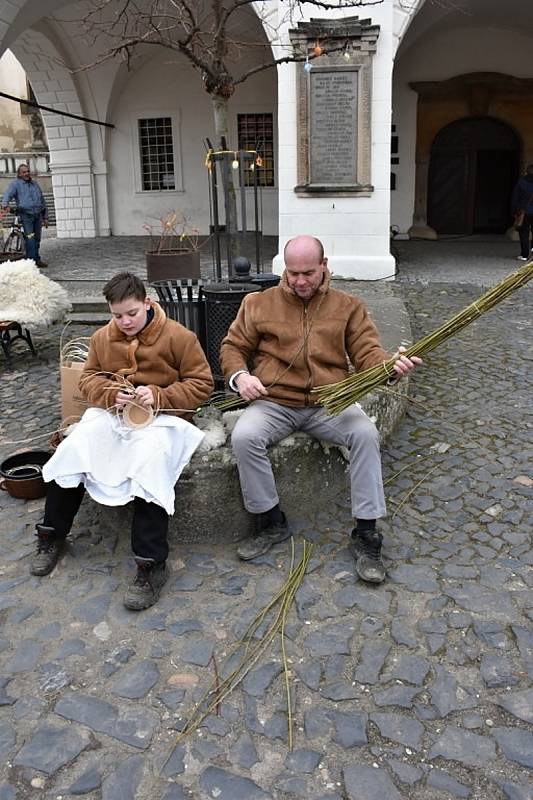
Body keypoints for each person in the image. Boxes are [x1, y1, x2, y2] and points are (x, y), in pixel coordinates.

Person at [220, 235, 421, 584]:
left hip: (330, 403)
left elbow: (367, 353)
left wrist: (388, 368)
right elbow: (232, 347)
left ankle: (366, 533)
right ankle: (271, 521)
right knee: (245, 435)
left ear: (324, 266)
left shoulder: (348, 306)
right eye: (293, 273)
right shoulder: (258, 303)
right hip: (274, 401)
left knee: (364, 433)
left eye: (308, 273)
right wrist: (241, 377)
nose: (300, 281)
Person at [35, 271, 214, 610]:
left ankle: (150, 564)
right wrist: (109, 393)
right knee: (75, 446)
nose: (125, 322)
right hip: (114, 415)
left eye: (131, 313)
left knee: (150, 463)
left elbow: (202, 384)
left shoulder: (179, 337)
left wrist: (158, 395)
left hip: (164, 419)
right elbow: (88, 378)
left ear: (148, 302)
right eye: (117, 315)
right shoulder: (104, 337)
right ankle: (51, 534)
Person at [1, 164, 49, 267]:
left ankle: (36, 259)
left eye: (27, 171)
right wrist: (5, 204)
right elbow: (8, 195)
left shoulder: (34, 184)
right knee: (30, 238)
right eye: (24, 172)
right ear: (19, 174)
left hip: (38, 215)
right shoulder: (15, 184)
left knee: (37, 239)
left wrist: (45, 217)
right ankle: (31, 263)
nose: (26, 173)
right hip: (26, 215)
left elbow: (42, 200)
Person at [511, 164, 533, 261]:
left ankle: (524, 255)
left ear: (527, 171)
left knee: (524, 233)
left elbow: (515, 198)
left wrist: (514, 211)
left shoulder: (522, 182)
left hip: (525, 211)